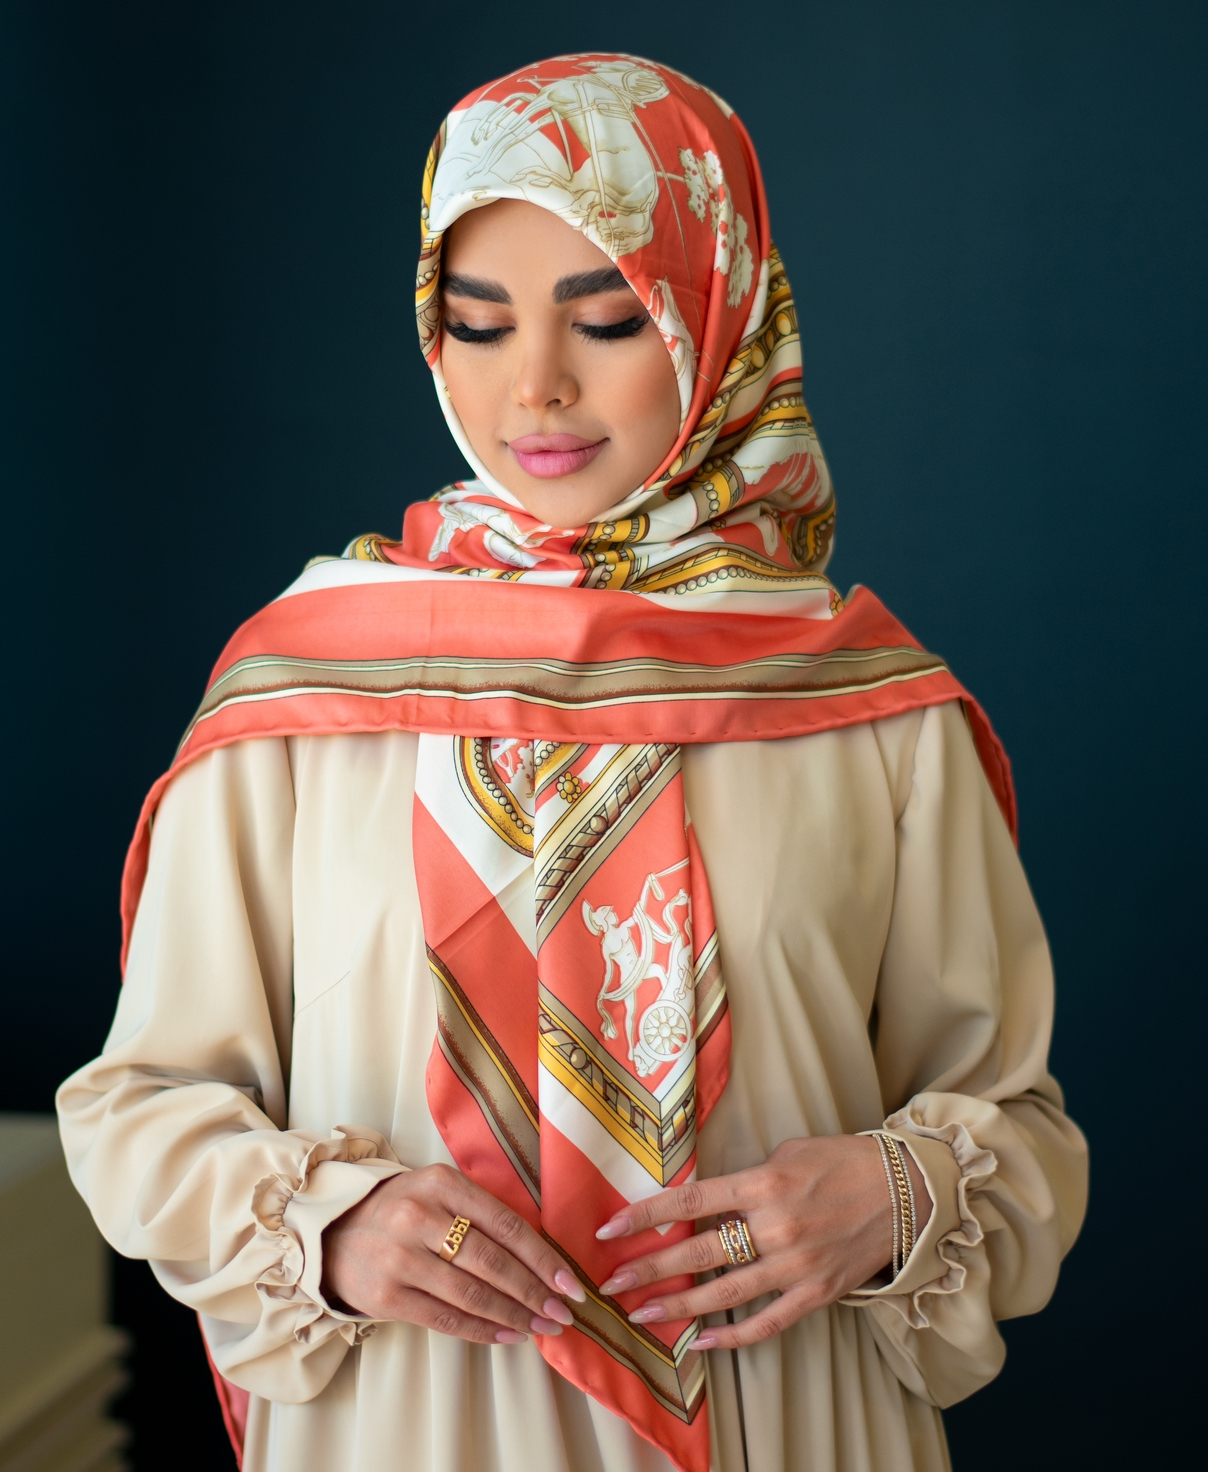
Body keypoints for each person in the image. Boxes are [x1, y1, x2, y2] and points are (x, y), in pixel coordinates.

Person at [57, 53, 1088, 1472]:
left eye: (608, 318)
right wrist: (332, 1228)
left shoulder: (866, 707)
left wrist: (893, 1198)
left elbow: (1021, 1132)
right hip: (412, 1424)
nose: (535, 386)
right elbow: (137, 1108)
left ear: (719, 312)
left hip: (786, 1418)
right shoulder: (306, 694)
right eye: (478, 325)